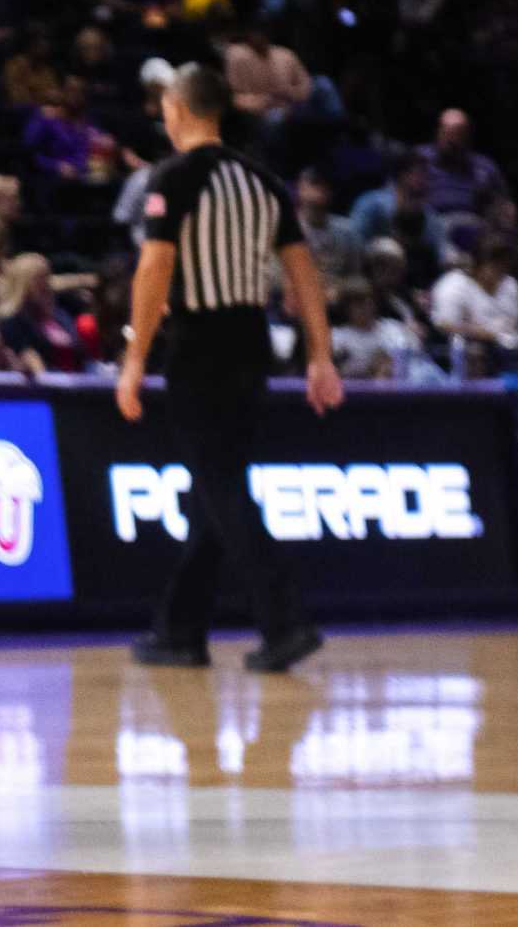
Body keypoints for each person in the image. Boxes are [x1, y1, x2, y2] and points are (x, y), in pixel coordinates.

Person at [116, 64, 342, 674]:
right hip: (252, 343)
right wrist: (320, 355)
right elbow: (304, 275)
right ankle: (179, 630)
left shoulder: (176, 177)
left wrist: (135, 358)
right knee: (219, 487)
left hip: (200, 344)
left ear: (180, 109)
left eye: (165, 103)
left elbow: (154, 270)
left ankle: (285, 622)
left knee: (219, 486)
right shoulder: (264, 183)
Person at [429, 241, 518, 370]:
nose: (502, 272)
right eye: (497, 266)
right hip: (465, 357)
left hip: (509, 353)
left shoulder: (510, 284)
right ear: (479, 263)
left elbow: (516, 322)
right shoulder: (453, 285)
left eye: (506, 266)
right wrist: (488, 334)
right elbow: (444, 325)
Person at [415, 108, 507, 219]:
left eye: (457, 133)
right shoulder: (418, 160)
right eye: (446, 133)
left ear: (468, 136)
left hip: (473, 227)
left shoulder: (485, 168)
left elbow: (503, 206)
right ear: (437, 133)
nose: (451, 140)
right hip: (428, 226)